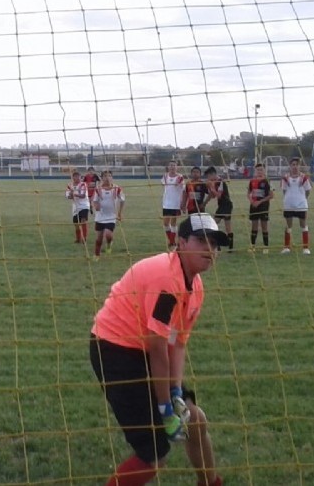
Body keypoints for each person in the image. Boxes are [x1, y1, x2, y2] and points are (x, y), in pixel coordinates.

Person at [90, 213, 227, 486]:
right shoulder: (167, 280)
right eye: (201, 241)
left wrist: (176, 392)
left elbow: (177, 343)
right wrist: (165, 408)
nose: (210, 249)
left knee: (195, 420)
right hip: (114, 350)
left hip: (144, 350)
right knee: (154, 456)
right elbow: (157, 348)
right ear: (181, 242)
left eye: (214, 243)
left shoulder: (196, 287)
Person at [280, 157, 312, 255]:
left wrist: (303, 199)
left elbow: (308, 191)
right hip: (288, 205)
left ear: (299, 166)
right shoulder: (285, 178)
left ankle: (305, 248)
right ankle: (286, 247)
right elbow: (284, 190)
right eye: (293, 164)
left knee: (303, 225)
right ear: (290, 166)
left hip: (301, 205)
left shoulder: (304, 177)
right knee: (288, 226)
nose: (295, 166)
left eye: (297, 165)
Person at [91, 170, 125, 260]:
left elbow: (122, 200)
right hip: (100, 216)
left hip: (111, 216)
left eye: (109, 176)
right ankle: (96, 255)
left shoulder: (117, 188)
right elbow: (94, 200)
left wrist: (120, 213)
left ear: (112, 177)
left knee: (108, 235)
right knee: (99, 238)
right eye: (105, 176)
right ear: (101, 178)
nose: (107, 178)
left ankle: (109, 244)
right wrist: (96, 205)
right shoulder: (98, 189)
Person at [202, 166, 233, 252]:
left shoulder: (220, 182)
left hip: (226, 205)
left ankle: (227, 246)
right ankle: (222, 245)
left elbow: (218, 195)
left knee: (218, 224)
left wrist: (211, 187)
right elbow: (212, 196)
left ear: (213, 174)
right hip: (222, 205)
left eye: (208, 176)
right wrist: (204, 203)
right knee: (219, 224)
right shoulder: (214, 182)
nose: (208, 178)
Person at [247, 162, 273, 253]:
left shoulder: (267, 181)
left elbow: (271, 195)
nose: (259, 171)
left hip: (263, 206)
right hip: (254, 206)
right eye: (258, 170)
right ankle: (252, 246)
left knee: (264, 226)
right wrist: (252, 201)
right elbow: (248, 193)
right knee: (254, 226)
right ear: (255, 171)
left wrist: (260, 202)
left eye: (261, 169)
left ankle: (266, 246)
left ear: (264, 171)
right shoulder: (252, 181)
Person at [161, 160, 186, 250]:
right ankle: (172, 241)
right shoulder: (165, 176)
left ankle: (172, 242)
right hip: (166, 203)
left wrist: (183, 203)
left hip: (175, 203)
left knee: (173, 223)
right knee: (165, 223)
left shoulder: (180, 177)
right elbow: (165, 186)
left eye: (174, 165)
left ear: (177, 167)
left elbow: (183, 190)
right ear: (168, 167)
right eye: (170, 165)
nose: (172, 167)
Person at [66, 170, 91, 244]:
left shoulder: (83, 184)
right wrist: (70, 194)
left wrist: (74, 194)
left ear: (81, 177)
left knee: (83, 221)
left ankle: (84, 238)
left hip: (84, 205)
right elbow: (68, 196)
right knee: (76, 224)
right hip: (75, 207)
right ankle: (78, 239)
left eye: (78, 176)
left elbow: (83, 195)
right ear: (73, 177)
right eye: (75, 176)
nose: (77, 178)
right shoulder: (69, 185)